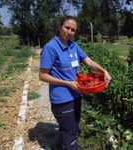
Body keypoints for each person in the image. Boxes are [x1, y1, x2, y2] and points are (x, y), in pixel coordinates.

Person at [39, 16, 112, 150]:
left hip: (76, 94)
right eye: (67, 27)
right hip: (61, 98)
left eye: (73, 30)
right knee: (70, 133)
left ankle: (58, 145)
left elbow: (88, 61)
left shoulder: (74, 45)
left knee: (73, 125)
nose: (69, 32)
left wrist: (103, 70)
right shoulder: (51, 48)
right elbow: (43, 75)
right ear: (60, 27)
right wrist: (67, 83)